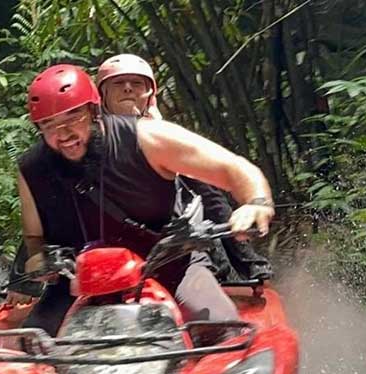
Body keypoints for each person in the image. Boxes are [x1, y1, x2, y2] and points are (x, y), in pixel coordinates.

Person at [9, 64, 275, 339]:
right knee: (28, 348)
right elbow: (34, 236)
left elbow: (234, 169)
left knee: (223, 330)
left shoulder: (146, 138)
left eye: (73, 117)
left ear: (93, 110)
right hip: (80, 279)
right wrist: (39, 259)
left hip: (172, 265)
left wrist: (256, 202)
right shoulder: (33, 168)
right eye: (49, 124)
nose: (63, 134)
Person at [96, 53, 273, 281]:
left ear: (149, 93)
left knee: (204, 187)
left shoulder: (159, 130)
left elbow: (225, 168)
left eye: (137, 83)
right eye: (119, 83)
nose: (128, 89)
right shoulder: (88, 137)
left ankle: (246, 259)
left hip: (171, 212)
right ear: (103, 94)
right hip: (112, 219)